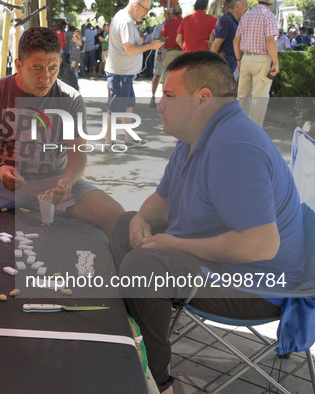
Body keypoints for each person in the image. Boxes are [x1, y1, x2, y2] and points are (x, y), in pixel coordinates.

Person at [110, 51, 307, 394]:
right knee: (123, 224)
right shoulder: (195, 135)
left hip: (260, 284)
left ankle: (155, 382)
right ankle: (129, 338)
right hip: (224, 264)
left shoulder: (235, 146)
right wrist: (141, 218)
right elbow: (163, 202)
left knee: (146, 265)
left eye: (169, 96)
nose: (159, 103)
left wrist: (174, 244)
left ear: (202, 99)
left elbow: (261, 244)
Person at [0, 27, 124, 238]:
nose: (46, 78)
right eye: (37, 68)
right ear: (19, 65)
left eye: (53, 68)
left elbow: (78, 156)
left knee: (117, 217)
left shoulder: (70, 99)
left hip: (53, 182)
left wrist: (67, 182)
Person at [105, 0, 164, 147]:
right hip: (121, 72)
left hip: (123, 72)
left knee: (128, 105)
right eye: (146, 10)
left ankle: (129, 138)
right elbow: (129, 49)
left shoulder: (123, 17)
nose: (146, 14)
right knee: (117, 107)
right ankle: (109, 142)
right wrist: (151, 46)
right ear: (136, 6)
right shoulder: (126, 21)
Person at [233, 0, 278, 128]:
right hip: (262, 59)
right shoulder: (269, 16)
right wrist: (275, 62)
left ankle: (240, 127)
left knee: (242, 96)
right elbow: (270, 41)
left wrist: (239, 60)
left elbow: (236, 41)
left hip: (246, 58)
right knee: (259, 98)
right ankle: (256, 131)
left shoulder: (246, 15)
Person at [211, 0, 248, 72]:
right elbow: (216, 44)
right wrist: (211, 64)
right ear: (237, 6)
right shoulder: (226, 20)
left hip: (231, 60)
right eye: (246, 5)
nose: (247, 8)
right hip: (226, 60)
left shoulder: (233, 21)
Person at [150, 8, 173, 106]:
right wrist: (159, 53)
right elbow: (155, 40)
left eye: (171, 14)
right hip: (161, 54)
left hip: (170, 54)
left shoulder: (176, 26)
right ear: (164, 15)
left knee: (169, 77)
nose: (170, 16)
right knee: (157, 75)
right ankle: (153, 96)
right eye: (168, 14)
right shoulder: (159, 27)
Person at [160, 4, 183, 87]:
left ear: (172, 14)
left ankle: (166, 98)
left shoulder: (168, 23)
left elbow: (162, 38)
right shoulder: (185, 21)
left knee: (167, 77)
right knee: (181, 78)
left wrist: (159, 52)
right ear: (181, 13)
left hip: (170, 52)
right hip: (183, 52)